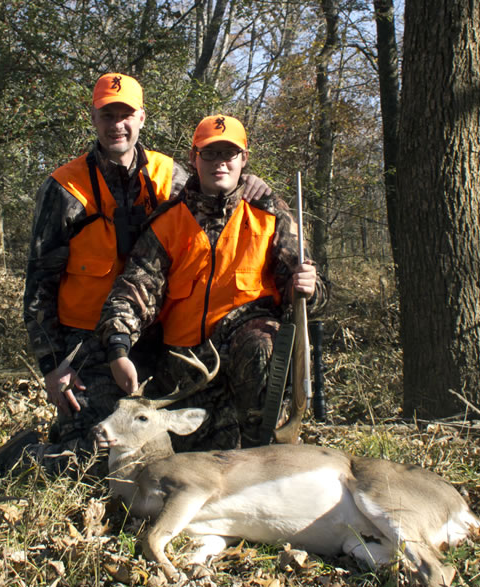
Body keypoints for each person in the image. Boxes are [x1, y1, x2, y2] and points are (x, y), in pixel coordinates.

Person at [0, 76, 270, 482]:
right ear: (93, 119)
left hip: (160, 340)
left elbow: (216, 200)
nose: (118, 124)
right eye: (107, 114)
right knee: (101, 458)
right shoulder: (64, 188)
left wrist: (251, 186)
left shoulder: (172, 177)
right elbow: (38, 286)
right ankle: (24, 458)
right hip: (90, 348)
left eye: (126, 114)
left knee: (178, 455)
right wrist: (54, 365)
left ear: (142, 118)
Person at [96, 114, 329, 450]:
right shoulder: (168, 222)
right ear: (194, 158)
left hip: (247, 360)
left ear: (243, 159)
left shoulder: (271, 216)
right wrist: (118, 347)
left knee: (262, 345)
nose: (220, 162)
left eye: (229, 154)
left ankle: (265, 453)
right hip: (186, 368)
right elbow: (135, 289)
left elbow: (311, 293)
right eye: (210, 153)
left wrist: (307, 287)